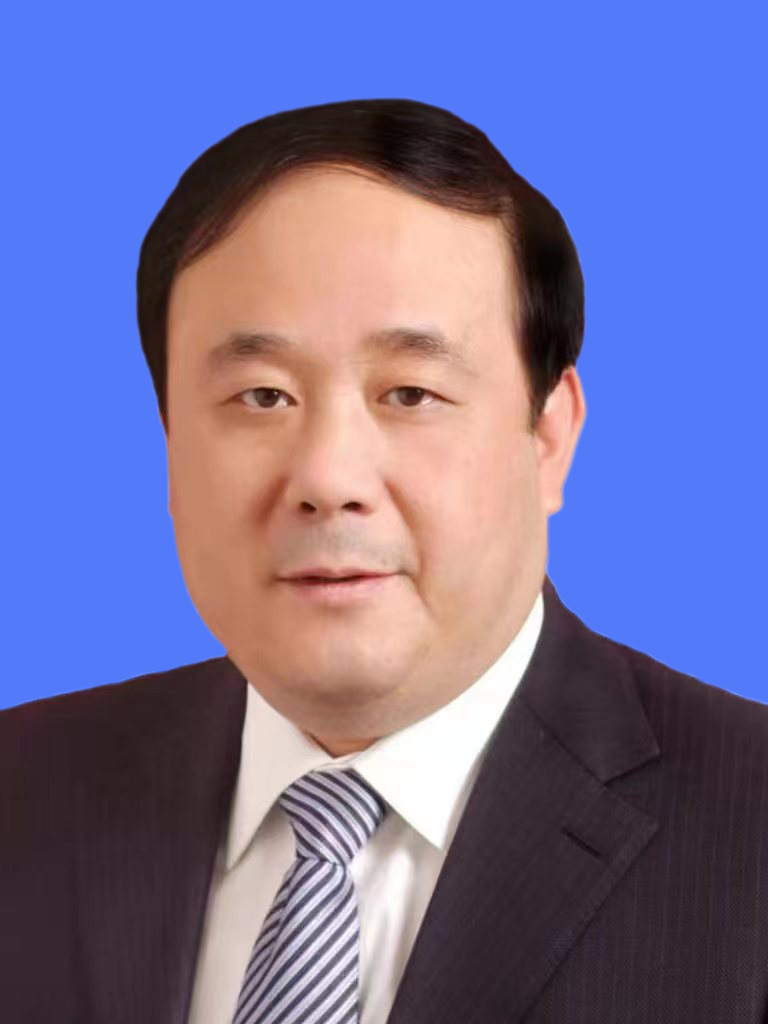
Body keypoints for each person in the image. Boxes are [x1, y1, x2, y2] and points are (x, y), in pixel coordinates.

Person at [1, 98, 766, 1024]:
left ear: (548, 438)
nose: (329, 478)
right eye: (262, 396)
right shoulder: (23, 791)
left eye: (410, 392)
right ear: (169, 440)